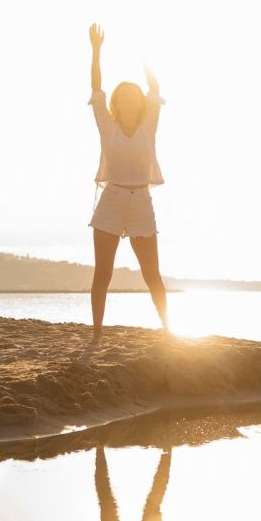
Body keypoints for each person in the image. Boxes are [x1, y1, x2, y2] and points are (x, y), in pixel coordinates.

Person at [85, 22, 168, 348]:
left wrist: (143, 52)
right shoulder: (106, 124)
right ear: (117, 104)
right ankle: (96, 333)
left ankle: (167, 330)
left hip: (141, 203)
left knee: (152, 274)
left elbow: (155, 84)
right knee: (102, 274)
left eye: (135, 96)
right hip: (112, 200)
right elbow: (96, 89)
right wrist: (96, 50)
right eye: (125, 97)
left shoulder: (151, 121)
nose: (131, 101)